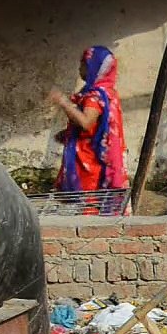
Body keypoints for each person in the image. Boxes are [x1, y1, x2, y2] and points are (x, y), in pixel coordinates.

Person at [49, 46, 128, 212]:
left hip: (90, 162)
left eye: (84, 64)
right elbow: (99, 127)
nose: (80, 68)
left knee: (87, 204)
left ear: (95, 67)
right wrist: (68, 134)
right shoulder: (108, 93)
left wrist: (64, 103)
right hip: (94, 155)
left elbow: (86, 122)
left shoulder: (94, 96)